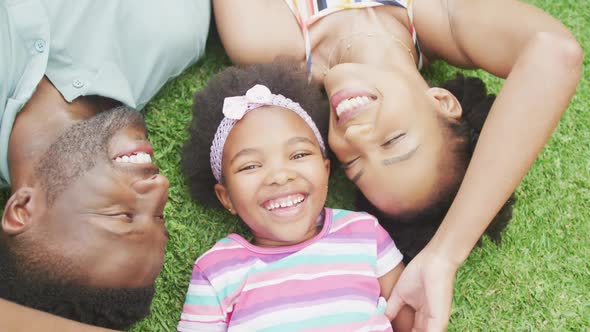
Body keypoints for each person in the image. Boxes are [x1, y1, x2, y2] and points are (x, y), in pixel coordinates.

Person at [212, 0, 583, 329]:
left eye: (353, 162)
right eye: (393, 140)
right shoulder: (441, 16)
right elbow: (553, 52)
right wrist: (445, 254)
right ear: (442, 102)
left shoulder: (266, 40)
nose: (355, 135)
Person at [0, 0, 210, 330]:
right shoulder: (178, 36)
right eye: (159, 216)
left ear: (23, 209)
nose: (160, 188)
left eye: (122, 214)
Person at [178, 61, 414, 331]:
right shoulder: (217, 270)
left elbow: (408, 318)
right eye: (251, 166)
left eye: (299, 155)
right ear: (226, 197)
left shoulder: (364, 233)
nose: (280, 175)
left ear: (326, 171)